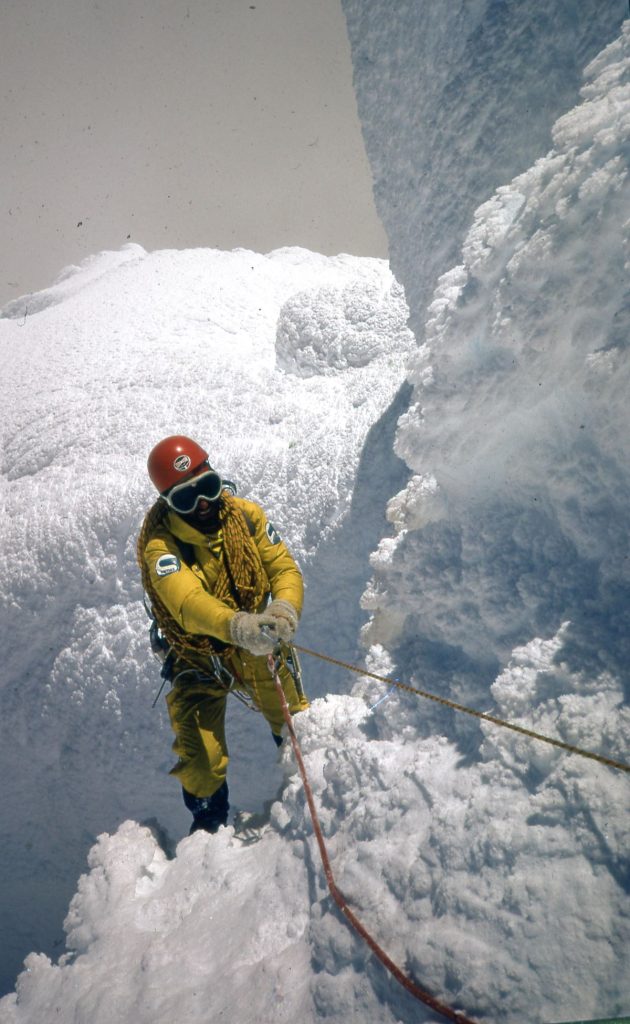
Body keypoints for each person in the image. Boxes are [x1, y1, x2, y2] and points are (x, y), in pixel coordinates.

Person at [137, 434, 309, 835]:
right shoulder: (161, 547)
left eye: (207, 488)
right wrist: (236, 626)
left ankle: (311, 780)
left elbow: (283, 569)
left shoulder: (246, 518)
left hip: (256, 645)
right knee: (199, 758)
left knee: (292, 717)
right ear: (167, 503)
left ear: (217, 478)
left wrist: (282, 608)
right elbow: (187, 601)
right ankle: (209, 824)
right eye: (185, 498)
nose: (201, 503)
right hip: (197, 657)